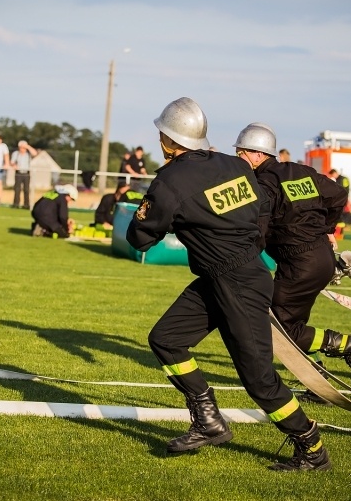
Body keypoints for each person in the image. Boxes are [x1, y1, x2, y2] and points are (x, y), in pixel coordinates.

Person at [126, 97, 330, 472]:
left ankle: (312, 448)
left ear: (169, 140)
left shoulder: (171, 179)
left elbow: (139, 238)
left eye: (161, 134)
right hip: (229, 274)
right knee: (167, 339)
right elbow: (261, 210)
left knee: (261, 382)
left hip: (236, 282)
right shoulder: (234, 164)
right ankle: (208, 421)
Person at [234, 123, 351, 393]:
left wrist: (242, 261)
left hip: (300, 265)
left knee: (276, 328)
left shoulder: (264, 183)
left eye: (241, 154)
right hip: (320, 258)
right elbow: (338, 195)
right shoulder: (300, 171)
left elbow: (258, 233)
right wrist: (328, 229)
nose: (239, 159)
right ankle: (318, 384)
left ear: (258, 154)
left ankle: (349, 345)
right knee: (294, 327)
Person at [11, 140, 37, 209]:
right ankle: (16, 204)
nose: (22, 149)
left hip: (26, 173)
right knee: (17, 189)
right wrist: (14, 166)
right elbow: (12, 162)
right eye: (21, 147)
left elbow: (35, 153)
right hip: (18, 173)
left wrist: (27, 146)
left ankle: (26, 204)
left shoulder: (28, 154)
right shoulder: (16, 153)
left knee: (26, 189)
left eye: (24, 147)